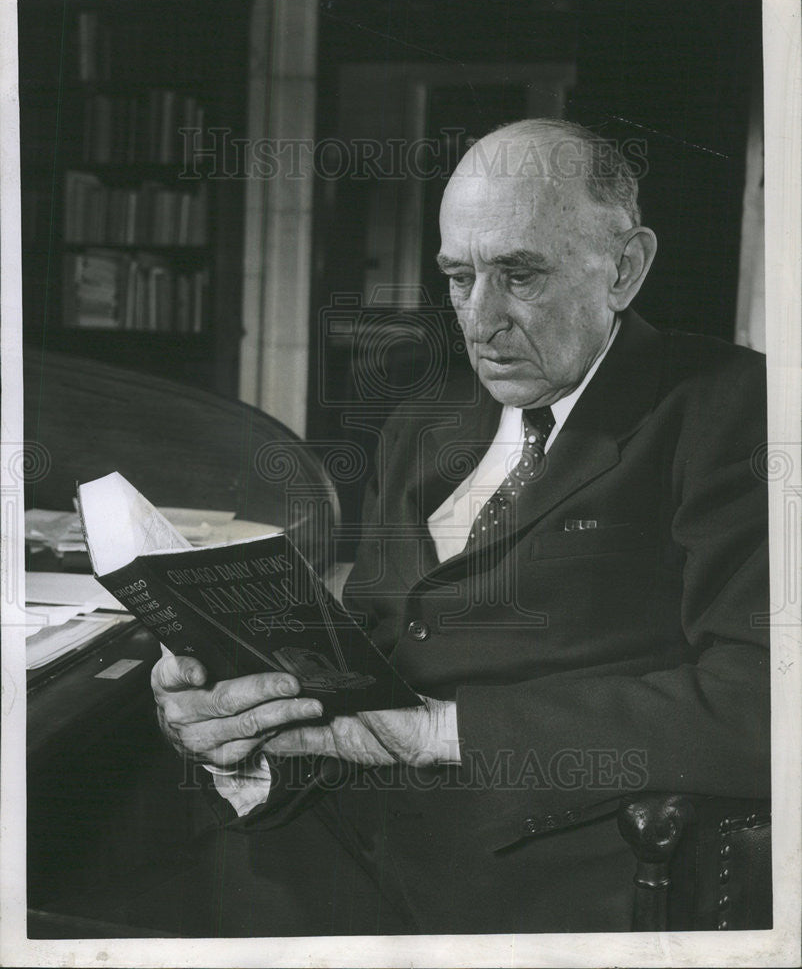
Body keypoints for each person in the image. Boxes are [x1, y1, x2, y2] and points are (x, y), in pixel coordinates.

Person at [151, 119, 769, 933]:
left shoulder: (734, 411)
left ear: (625, 268)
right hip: (340, 831)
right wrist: (238, 724)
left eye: (519, 276)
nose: (479, 321)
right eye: (457, 278)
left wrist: (444, 734)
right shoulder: (423, 420)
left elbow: (764, 703)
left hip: (542, 874)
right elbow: (369, 648)